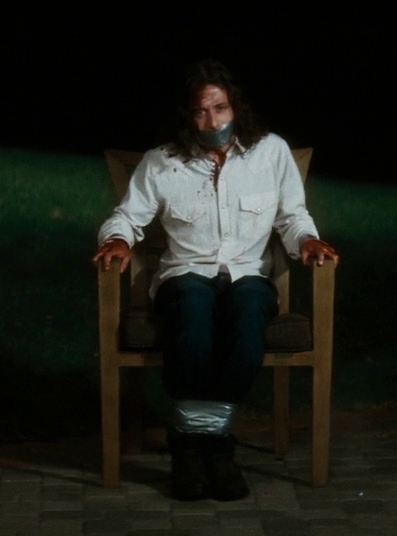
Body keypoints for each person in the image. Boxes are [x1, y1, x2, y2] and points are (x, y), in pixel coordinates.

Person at [92, 59, 338, 501]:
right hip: (186, 274)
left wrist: (307, 240)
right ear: (188, 116)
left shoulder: (271, 152)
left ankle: (203, 446)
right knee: (193, 315)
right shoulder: (162, 162)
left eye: (220, 108)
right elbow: (127, 217)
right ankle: (201, 451)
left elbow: (292, 216)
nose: (212, 121)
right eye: (201, 111)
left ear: (235, 107)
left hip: (248, 273)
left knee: (248, 315)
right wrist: (118, 240)